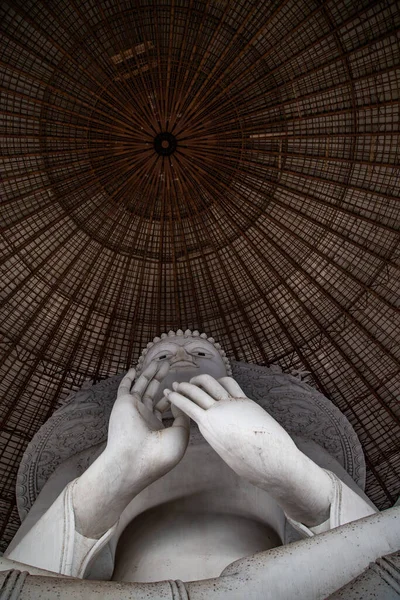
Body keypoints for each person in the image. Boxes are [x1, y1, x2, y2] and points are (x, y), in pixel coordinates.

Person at [6, 330, 376, 582]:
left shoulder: (288, 442)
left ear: (227, 374)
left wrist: (285, 470)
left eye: (201, 354)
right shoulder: (90, 460)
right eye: (164, 356)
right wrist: (113, 477)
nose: (183, 358)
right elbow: (17, 578)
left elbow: (379, 550)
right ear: (139, 377)